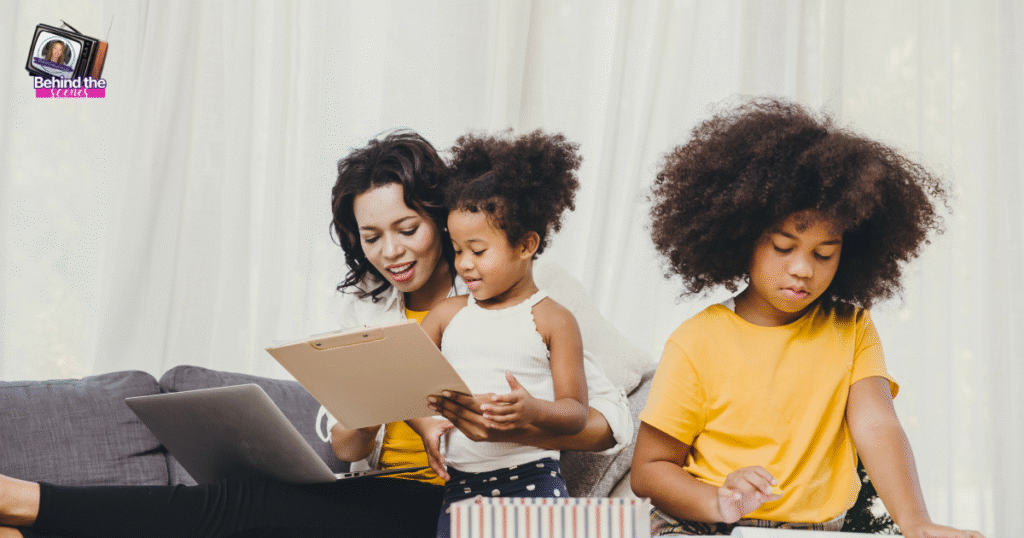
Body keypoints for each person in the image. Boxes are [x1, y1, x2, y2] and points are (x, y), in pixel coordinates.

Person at [0, 130, 631, 538]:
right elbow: (349, 451)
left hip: (452, 502)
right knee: (245, 501)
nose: (391, 251)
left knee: (242, 513)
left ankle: (27, 505)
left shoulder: (521, 293)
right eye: (371, 235)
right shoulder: (371, 315)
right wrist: (368, 411)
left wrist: (525, 422)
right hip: (382, 497)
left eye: (407, 227)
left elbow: (608, 419)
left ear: (441, 219)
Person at [631, 98, 985, 538]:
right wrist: (718, 500)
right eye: (783, 247)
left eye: (824, 254)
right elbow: (650, 469)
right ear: (742, 238)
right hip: (704, 525)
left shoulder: (850, 328)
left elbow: (877, 426)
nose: (803, 268)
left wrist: (914, 522)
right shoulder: (696, 339)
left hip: (816, 531)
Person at [405, 130, 588, 537]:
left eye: (478, 250)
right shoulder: (446, 314)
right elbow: (403, 377)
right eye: (457, 250)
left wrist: (533, 411)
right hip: (461, 486)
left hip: (533, 480)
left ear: (525, 246)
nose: (464, 264)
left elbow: (575, 412)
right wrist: (426, 424)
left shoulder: (552, 320)